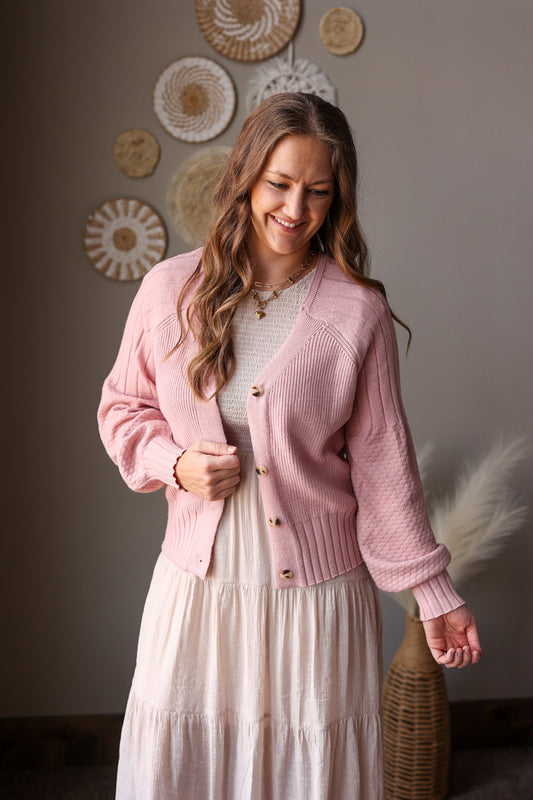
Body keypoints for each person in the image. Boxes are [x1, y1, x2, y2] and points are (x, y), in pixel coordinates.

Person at [98, 92, 482, 799]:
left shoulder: (354, 311)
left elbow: (382, 465)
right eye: (279, 184)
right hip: (199, 586)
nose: (295, 209)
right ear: (245, 177)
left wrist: (434, 594)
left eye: (317, 192)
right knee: (185, 769)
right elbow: (122, 408)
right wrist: (174, 464)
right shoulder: (166, 290)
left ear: (337, 200)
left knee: (306, 773)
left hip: (316, 597)